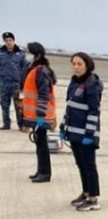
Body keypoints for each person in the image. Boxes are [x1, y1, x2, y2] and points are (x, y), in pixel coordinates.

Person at [60, 52, 103, 211]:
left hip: (85, 134)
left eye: (79, 64)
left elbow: (94, 111)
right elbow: (70, 107)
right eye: (74, 64)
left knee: (89, 166)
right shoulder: (74, 83)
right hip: (74, 132)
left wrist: (89, 134)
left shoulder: (92, 85)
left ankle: (93, 199)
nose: (76, 67)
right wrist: (63, 127)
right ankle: (85, 192)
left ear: (87, 65)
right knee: (81, 165)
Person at [21, 42, 57, 183]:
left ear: (38, 55)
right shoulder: (32, 68)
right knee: (39, 142)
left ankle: (45, 173)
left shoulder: (41, 71)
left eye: (29, 52)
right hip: (34, 114)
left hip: (40, 115)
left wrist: (40, 116)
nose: (26, 54)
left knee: (42, 144)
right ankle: (41, 170)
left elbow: (44, 94)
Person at [0, 32, 27, 130]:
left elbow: (25, 68)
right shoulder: (1, 53)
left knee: (20, 106)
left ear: (14, 41)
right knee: (4, 104)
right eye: (6, 41)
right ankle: (6, 124)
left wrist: (24, 83)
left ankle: (22, 125)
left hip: (18, 85)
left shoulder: (21, 53)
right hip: (4, 83)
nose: (8, 42)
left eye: (10, 40)